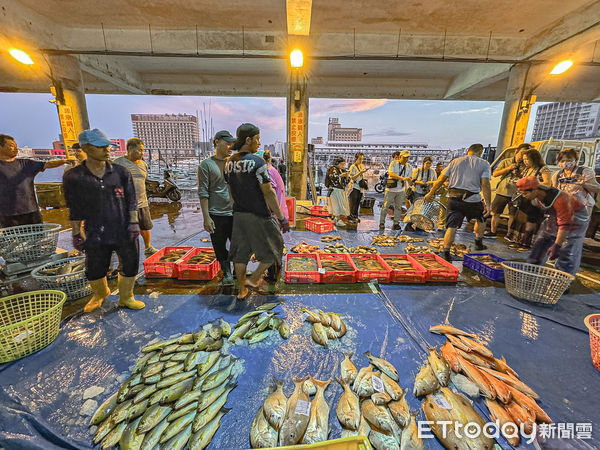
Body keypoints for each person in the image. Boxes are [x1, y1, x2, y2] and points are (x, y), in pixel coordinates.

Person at [63, 129, 144, 312]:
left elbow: (131, 199)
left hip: (123, 227)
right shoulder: (74, 176)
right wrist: (77, 232)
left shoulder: (121, 172)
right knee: (95, 267)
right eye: (100, 146)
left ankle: (126, 297)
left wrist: (133, 223)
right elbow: (74, 207)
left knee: (130, 263)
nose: (107, 150)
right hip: (95, 230)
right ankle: (100, 294)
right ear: (86, 148)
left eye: (107, 146)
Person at [224, 123, 289, 300]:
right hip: (259, 215)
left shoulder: (229, 163)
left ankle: (241, 290)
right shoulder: (258, 162)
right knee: (276, 246)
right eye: (257, 139)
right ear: (248, 139)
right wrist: (281, 217)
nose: (259, 143)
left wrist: (236, 209)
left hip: (239, 214)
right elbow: (268, 192)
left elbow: (230, 192)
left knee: (240, 254)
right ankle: (254, 279)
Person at [425, 143, 491, 261]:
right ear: (480, 152)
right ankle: (478, 241)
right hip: (473, 200)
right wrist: (488, 204)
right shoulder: (484, 163)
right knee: (482, 218)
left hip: (454, 199)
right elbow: (485, 184)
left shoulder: (455, 161)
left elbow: (441, 179)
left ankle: (446, 251)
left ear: (468, 151)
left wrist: (431, 193)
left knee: (452, 227)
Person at [517, 177, 588, 276]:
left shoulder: (561, 199)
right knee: (540, 241)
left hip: (575, 220)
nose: (524, 196)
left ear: (535, 190)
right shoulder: (535, 199)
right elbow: (533, 215)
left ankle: (563, 279)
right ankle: (530, 272)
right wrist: (527, 232)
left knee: (567, 249)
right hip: (555, 217)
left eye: (525, 193)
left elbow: (564, 225)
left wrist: (557, 245)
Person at [0, 134, 74, 228]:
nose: (16, 148)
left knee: (37, 240)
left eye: (16, 146)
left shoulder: (26, 164)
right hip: (6, 215)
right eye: (11, 145)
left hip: (31, 212)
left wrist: (63, 161)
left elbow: (48, 164)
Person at [198, 130, 237, 285]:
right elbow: (203, 192)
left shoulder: (234, 163)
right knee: (219, 245)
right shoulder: (206, 165)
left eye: (231, 144)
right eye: (227, 143)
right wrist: (206, 217)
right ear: (216, 142)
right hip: (216, 213)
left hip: (235, 213)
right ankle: (226, 271)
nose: (230, 147)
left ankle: (237, 270)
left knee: (238, 245)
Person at [114, 138, 158, 256]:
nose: (141, 153)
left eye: (142, 150)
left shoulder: (143, 164)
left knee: (145, 226)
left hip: (142, 202)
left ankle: (148, 247)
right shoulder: (118, 163)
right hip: (125, 205)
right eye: (139, 150)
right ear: (130, 149)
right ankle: (126, 252)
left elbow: (143, 181)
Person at [552, 148, 600, 240]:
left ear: (576, 160)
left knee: (575, 235)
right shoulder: (557, 175)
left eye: (569, 160)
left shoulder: (584, 172)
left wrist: (583, 183)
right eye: (562, 160)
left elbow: (598, 188)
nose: (566, 163)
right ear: (558, 162)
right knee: (561, 233)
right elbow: (554, 192)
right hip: (563, 208)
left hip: (581, 208)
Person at [510, 148, 551, 251]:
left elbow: (548, 183)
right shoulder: (527, 169)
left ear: (534, 159)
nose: (525, 161)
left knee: (531, 221)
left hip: (535, 200)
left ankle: (527, 244)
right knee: (521, 220)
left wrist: (532, 183)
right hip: (524, 198)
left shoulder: (543, 169)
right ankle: (518, 241)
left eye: (527, 159)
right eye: (524, 159)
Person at [486, 143, 529, 239]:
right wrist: (509, 168)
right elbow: (495, 173)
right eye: (522, 153)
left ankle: (509, 234)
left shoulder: (526, 165)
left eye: (526, 154)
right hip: (502, 191)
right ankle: (493, 232)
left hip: (516, 193)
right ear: (516, 151)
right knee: (496, 212)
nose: (523, 156)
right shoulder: (506, 162)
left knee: (512, 215)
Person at [263, 149, 288, 282]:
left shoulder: (268, 172)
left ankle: (272, 274)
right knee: (275, 242)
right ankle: (275, 270)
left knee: (270, 244)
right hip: (277, 211)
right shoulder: (272, 169)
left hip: (273, 213)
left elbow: (270, 193)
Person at [379, 150, 413, 230]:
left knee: (398, 207)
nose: (406, 159)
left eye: (407, 158)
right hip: (391, 189)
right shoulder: (393, 163)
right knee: (385, 206)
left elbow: (409, 178)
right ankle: (381, 222)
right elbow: (391, 174)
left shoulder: (409, 167)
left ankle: (396, 223)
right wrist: (402, 178)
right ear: (400, 157)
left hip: (401, 190)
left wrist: (410, 181)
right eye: (404, 158)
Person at [325, 157, 351, 227]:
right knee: (336, 205)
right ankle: (336, 219)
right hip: (335, 190)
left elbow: (346, 181)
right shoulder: (332, 169)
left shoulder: (342, 170)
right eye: (342, 164)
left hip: (341, 190)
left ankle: (337, 219)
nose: (343, 165)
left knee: (340, 205)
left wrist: (347, 176)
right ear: (337, 163)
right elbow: (332, 177)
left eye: (343, 164)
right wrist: (341, 176)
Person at [348, 152, 367, 222]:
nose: (361, 161)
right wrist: (360, 173)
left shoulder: (362, 166)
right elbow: (352, 177)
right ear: (356, 158)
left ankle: (355, 216)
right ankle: (351, 216)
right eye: (360, 159)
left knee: (358, 202)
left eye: (362, 159)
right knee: (353, 202)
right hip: (354, 187)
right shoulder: (352, 166)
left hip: (360, 187)